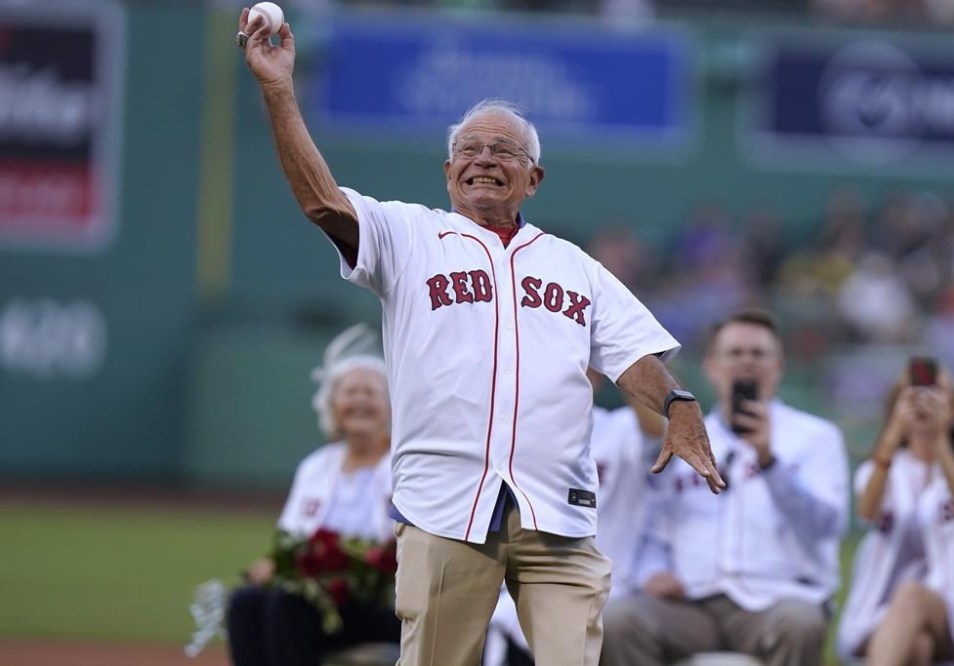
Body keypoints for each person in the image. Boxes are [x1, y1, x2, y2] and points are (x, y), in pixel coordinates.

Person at [237, 11, 723, 666]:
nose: (484, 159)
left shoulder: (574, 266)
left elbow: (634, 356)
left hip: (556, 513)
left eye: (503, 151)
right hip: (445, 506)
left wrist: (677, 403)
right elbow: (322, 202)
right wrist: (277, 90)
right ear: (447, 172)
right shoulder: (409, 237)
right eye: (469, 148)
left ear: (534, 178)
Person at [600, 308, 849, 666]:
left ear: (778, 366)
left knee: (801, 622)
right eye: (734, 353)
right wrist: (652, 570)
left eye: (758, 353)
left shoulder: (814, 437)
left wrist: (770, 462)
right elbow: (651, 526)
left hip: (775, 599)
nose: (746, 362)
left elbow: (827, 528)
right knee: (618, 619)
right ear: (712, 367)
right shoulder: (684, 437)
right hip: (688, 604)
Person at [225, 325, 399, 666]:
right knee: (246, 601)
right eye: (351, 392)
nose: (360, 400)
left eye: (370, 392)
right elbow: (291, 540)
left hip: (382, 604)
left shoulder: (404, 465)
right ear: (333, 405)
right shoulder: (316, 467)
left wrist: (348, 562)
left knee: (288, 603)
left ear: (391, 404)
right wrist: (277, 564)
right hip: (316, 602)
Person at [485, 369, 667, 666]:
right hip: (519, 587)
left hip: (609, 586)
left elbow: (657, 429)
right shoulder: (513, 434)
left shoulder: (620, 429)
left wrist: (623, 362)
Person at [842, 358, 954, 666]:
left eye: (935, 391)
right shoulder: (885, 469)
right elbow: (866, 512)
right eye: (911, 392)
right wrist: (892, 435)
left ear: (953, 405)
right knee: (918, 647)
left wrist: (939, 440)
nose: (923, 400)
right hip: (886, 612)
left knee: (912, 595)